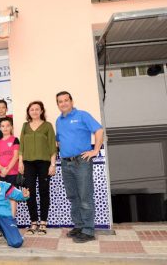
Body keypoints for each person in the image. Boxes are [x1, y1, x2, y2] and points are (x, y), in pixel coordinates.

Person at [55, 91, 103, 243]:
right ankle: (79, 226)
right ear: (58, 104)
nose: (63, 103)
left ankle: (88, 230)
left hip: (81, 162)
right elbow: (59, 140)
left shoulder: (82, 115)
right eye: (60, 101)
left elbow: (99, 130)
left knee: (85, 197)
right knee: (73, 196)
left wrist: (95, 150)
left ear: (71, 101)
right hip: (65, 163)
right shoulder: (58, 120)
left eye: (66, 100)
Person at [19, 101, 57, 235]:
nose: (34, 111)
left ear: (41, 111)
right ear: (28, 112)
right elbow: (21, 147)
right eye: (32, 109)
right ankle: (33, 221)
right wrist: (20, 162)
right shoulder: (25, 126)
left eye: (37, 109)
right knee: (30, 192)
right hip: (28, 163)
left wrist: (53, 165)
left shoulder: (47, 126)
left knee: (44, 191)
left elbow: (53, 146)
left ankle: (43, 222)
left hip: (44, 163)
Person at [0, 117, 20, 217]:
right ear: (0, 128)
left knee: (12, 197)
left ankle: (12, 220)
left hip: (12, 173)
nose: (5, 128)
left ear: (11, 127)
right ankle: (3, 222)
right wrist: (1, 168)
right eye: (3, 126)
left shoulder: (15, 140)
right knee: (1, 198)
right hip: (0, 174)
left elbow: (15, 156)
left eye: (7, 126)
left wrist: (7, 169)